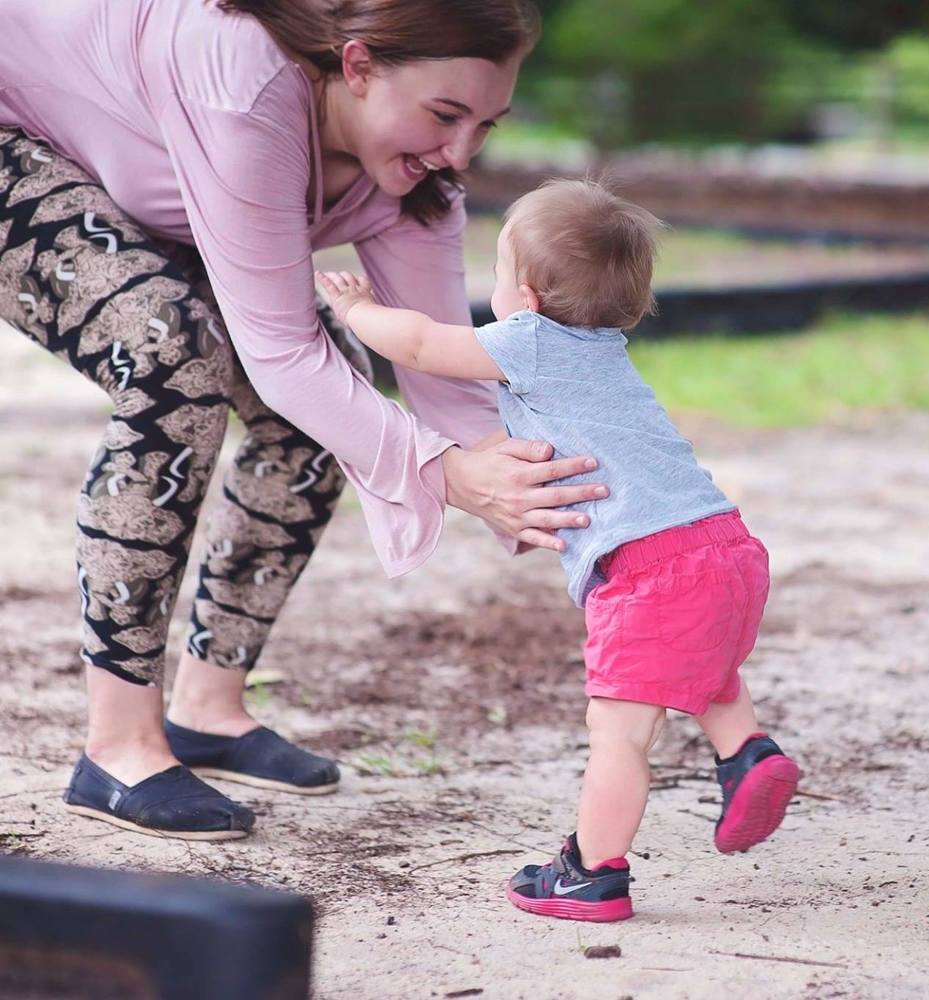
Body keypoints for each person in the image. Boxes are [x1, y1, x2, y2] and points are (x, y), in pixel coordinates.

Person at [0, 0, 611, 841]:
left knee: (333, 404)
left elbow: (443, 375)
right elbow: (283, 357)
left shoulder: (418, 181)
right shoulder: (248, 91)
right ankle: (118, 745)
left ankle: (207, 710)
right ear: (356, 66)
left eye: (486, 124)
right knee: (176, 357)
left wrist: (561, 502)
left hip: (125, 167)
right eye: (444, 114)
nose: (461, 150)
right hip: (13, 136)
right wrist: (444, 476)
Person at [317, 177, 801, 921]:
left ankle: (591, 871)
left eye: (502, 273)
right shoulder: (605, 352)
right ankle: (748, 753)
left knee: (619, 737)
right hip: (727, 545)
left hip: (653, 569)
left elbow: (418, 345)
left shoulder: (532, 343)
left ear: (530, 295)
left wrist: (356, 309)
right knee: (703, 664)